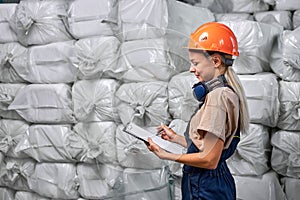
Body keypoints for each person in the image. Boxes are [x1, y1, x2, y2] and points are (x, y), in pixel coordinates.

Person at [147, 22, 249, 200]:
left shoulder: (218, 98)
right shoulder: (224, 93)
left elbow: (209, 160)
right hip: (210, 183)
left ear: (215, 61)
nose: (191, 69)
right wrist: (175, 138)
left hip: (204, 187)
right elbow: (209, 147)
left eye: (195, 63)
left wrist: (167, 155)